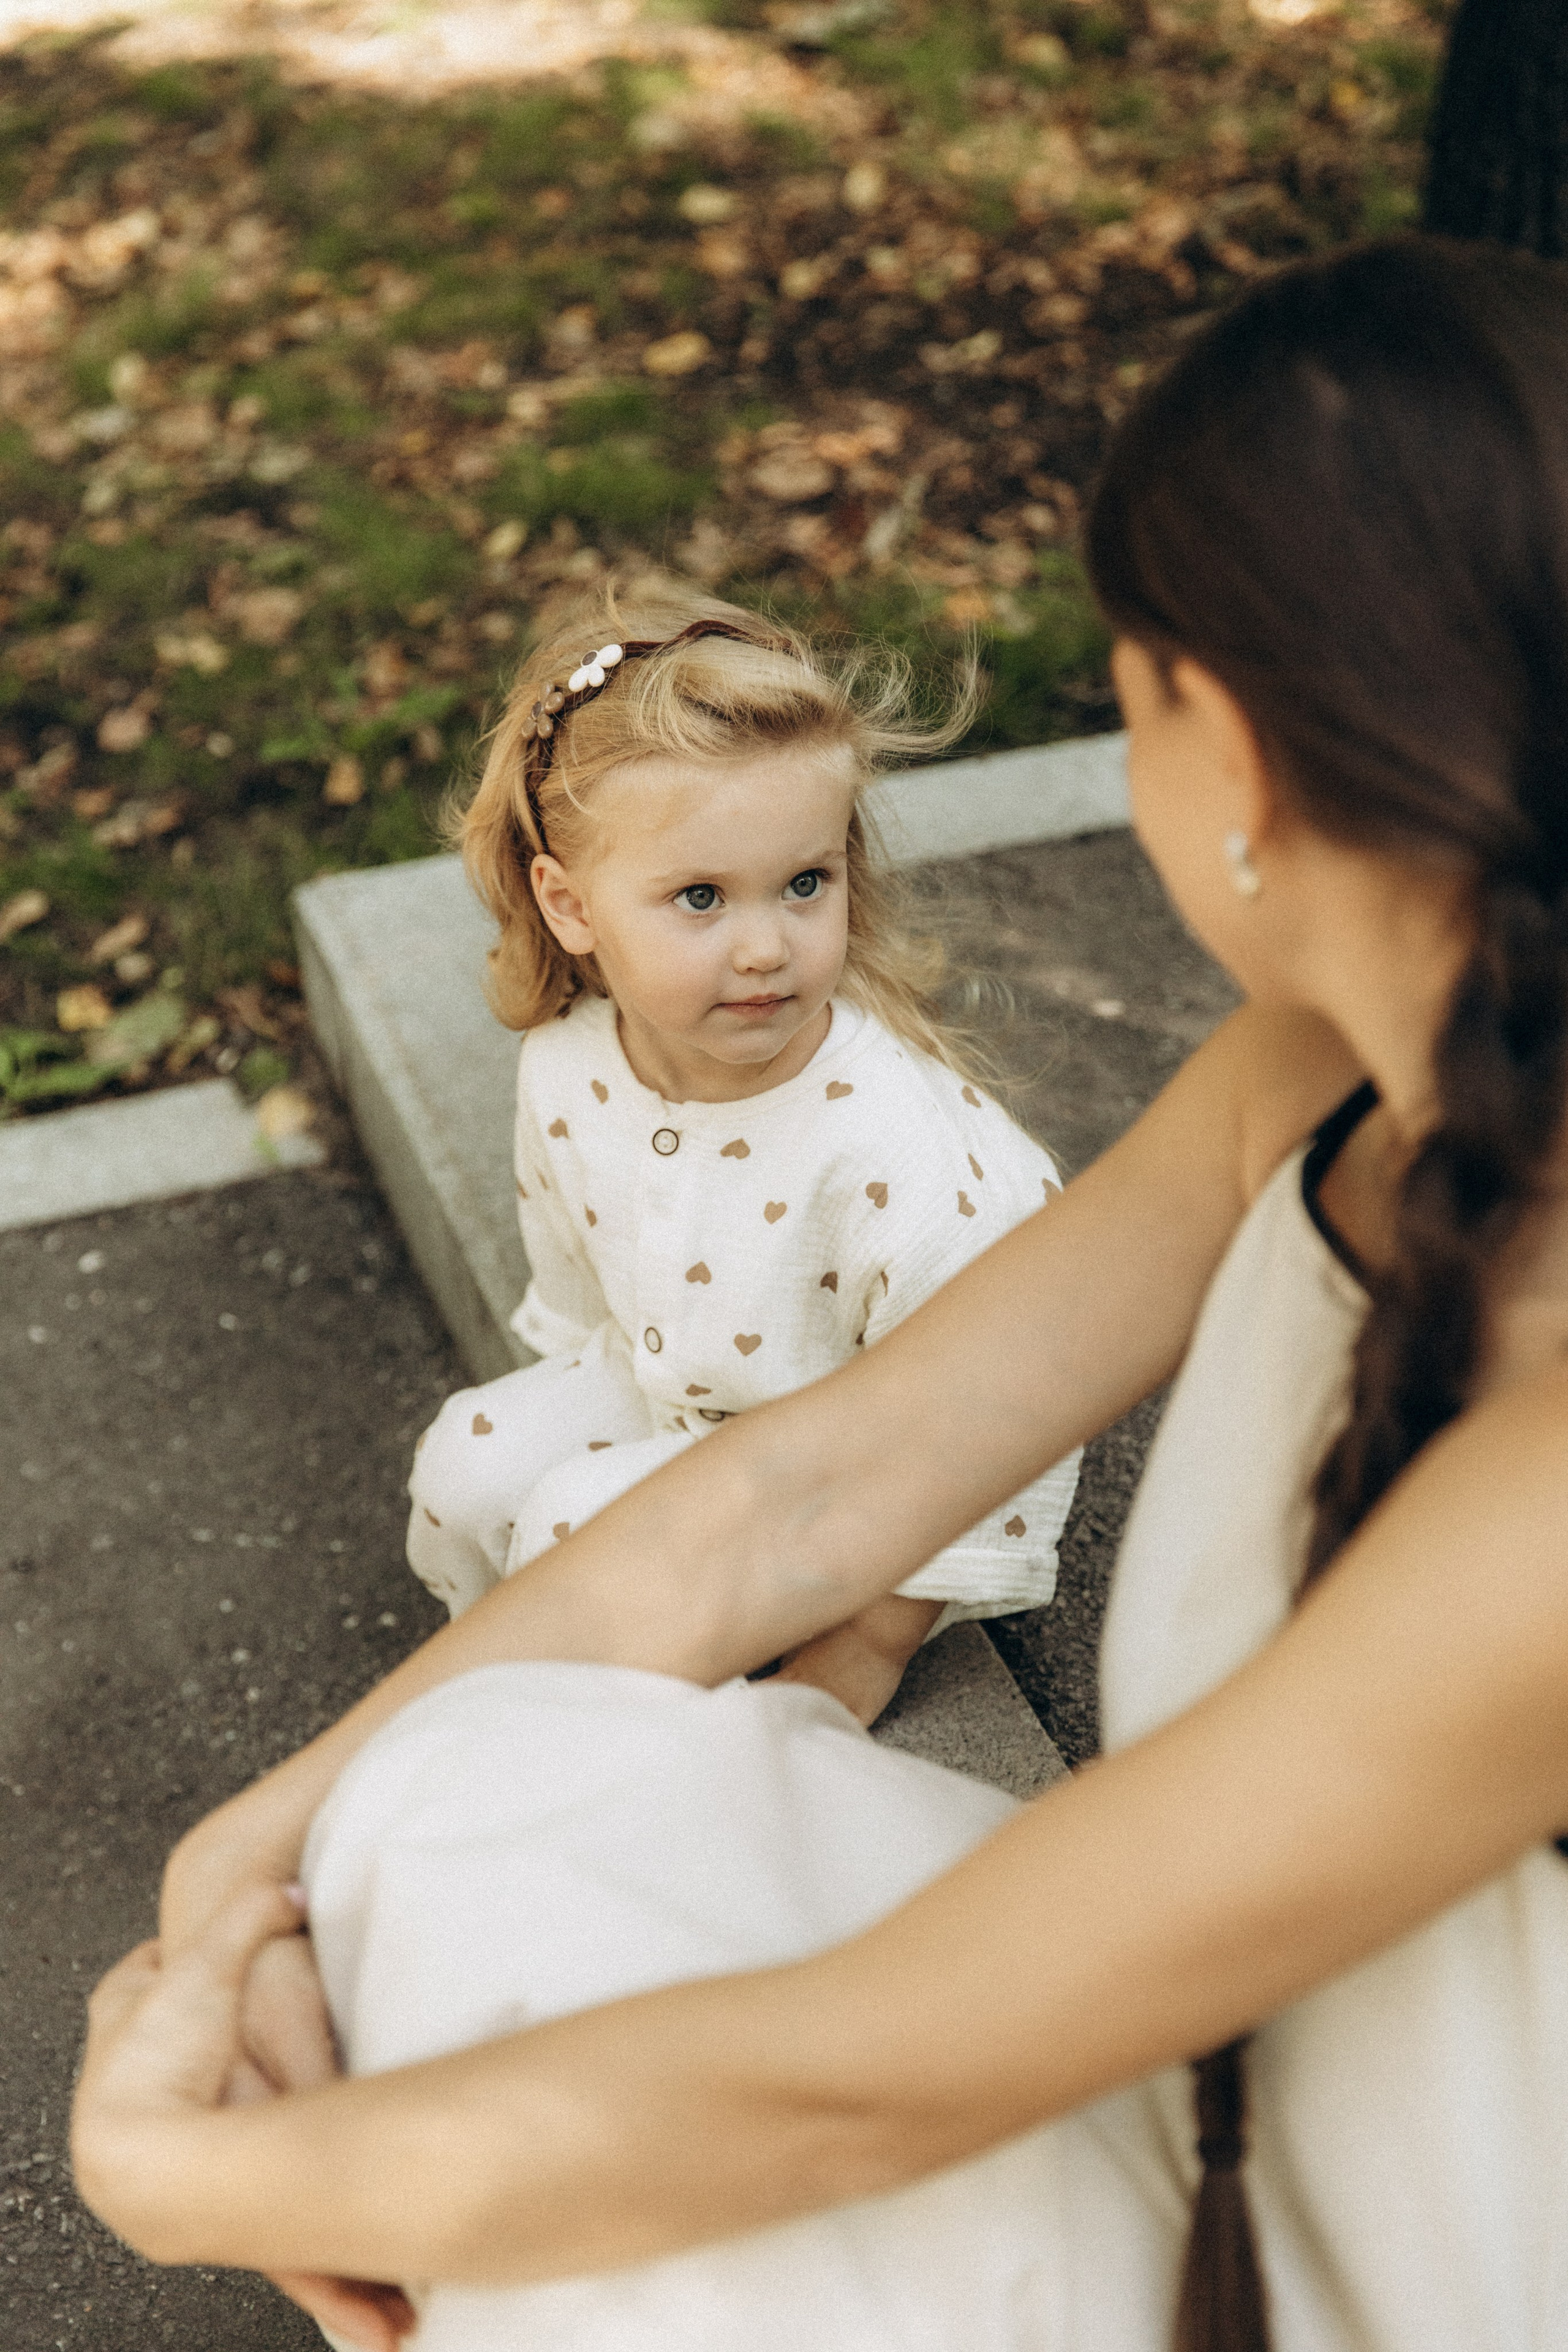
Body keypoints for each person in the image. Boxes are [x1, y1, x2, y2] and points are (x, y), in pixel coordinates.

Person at [71, 235, 1568, 2352]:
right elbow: (799, 1495)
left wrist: (192, 2179)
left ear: (1221, 751)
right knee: (448, 1785)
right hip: (1198, 2080)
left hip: (1371, 2274)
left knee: (576, 2248)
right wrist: (252, 1849)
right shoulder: (1316, 1073)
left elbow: (869, 2073)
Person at [405, 589, 1080, 1722]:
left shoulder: (896, 1152)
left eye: (805, 883)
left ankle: (610, 1737)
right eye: (702, 898)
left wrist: (868, 1644)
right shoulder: (570, 1066)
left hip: (852, 1488)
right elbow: (574, 1284)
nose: (767, 945)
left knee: (577, 1527)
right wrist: (574, 1392)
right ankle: (501, 1690)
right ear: (571, 907)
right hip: (681, 1399)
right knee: (465, 1463)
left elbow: (1009, 1406)